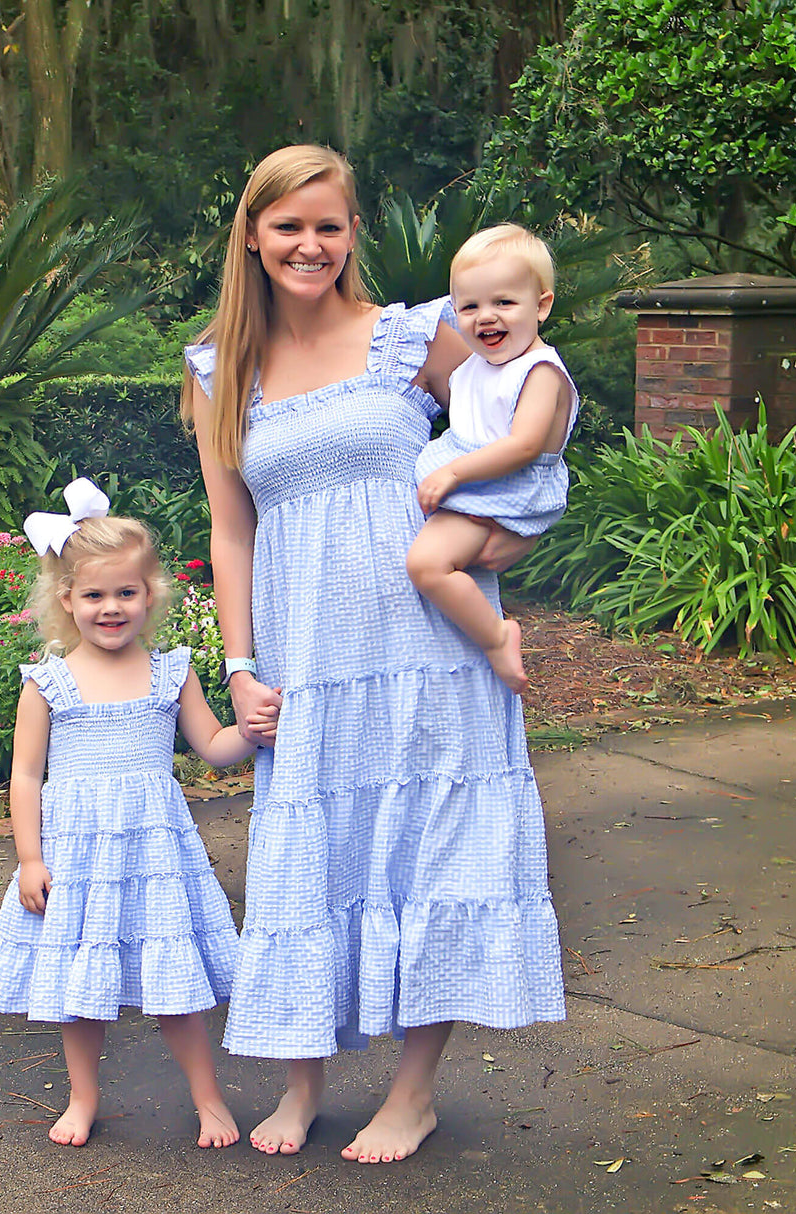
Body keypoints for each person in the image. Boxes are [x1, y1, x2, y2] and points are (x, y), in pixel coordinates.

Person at [182, 146, 565, 1165]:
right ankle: (300, 1082)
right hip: (305, 654)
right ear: (252, 236)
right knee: (306, 863)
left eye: (329, 225)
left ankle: (411, 1092)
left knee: (430, 850)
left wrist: (510, 538)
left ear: (351, 234)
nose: (309, 245)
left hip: (431, 648)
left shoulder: (412, 337)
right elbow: (231, 529)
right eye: (288, 226)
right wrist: (238, 664)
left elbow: (524, 419)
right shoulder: (218, 366)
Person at [0, 478, 273, 1149]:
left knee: (174, 986)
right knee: (82, 990)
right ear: (66, 599)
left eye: (126, 592)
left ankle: (208, 1097)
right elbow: (25, 777)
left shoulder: (171, 673)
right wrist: (30, 859)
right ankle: (83, 1097)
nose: (112, 607)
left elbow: (214, 746)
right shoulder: (46, 682)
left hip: (153, 857)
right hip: (78, 857)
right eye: (95, 595)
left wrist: (249, 730)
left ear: (150, 594)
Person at [406, 224, 579, 695]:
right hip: (479, 477)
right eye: (470, 306)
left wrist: (455, 471)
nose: (487, 317)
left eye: (504, 303)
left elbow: (524, 445)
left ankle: (497, 635)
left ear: (541, 305)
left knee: (427, 566)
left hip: (506, 485)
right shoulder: (477, 365)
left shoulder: (539, 371)